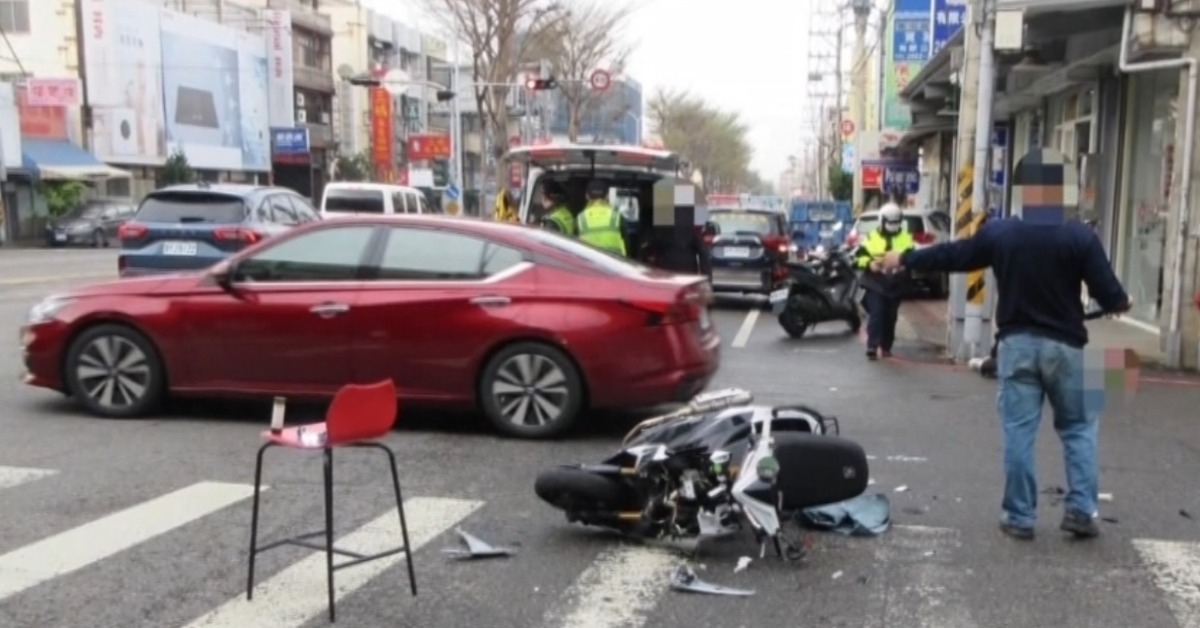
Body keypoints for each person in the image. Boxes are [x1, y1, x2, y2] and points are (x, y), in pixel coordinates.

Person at [879, 213, 1131, 542]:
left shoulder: (1002, 233)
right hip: (1066, 348)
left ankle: (1019, 516)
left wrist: (905, 258)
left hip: (1017, 346)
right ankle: (1081, 511)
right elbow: (1110, 295)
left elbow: (956, 255)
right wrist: (1121, 302)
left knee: (1019, 432)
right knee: (1078, 429)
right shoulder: (1079, 236)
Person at [852, 202, 914, 360]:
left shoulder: (906, 238)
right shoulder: (872, 237)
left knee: (890, 316)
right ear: (882, 221)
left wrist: (903, 265)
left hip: (895, 282)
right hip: (875, 280)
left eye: (896, 222)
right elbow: (857, 258)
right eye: (890, 222)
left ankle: (886, 346)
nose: (893, 226)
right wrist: (870, 263)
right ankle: (872, 346)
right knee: (877, 313)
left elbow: (912, 258)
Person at [576, 179, 626, 256]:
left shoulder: (580, 219)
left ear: (587, 196)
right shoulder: (617, 216)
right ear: (607, 196)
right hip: (614, 262)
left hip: (588, 263)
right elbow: (627, 245)